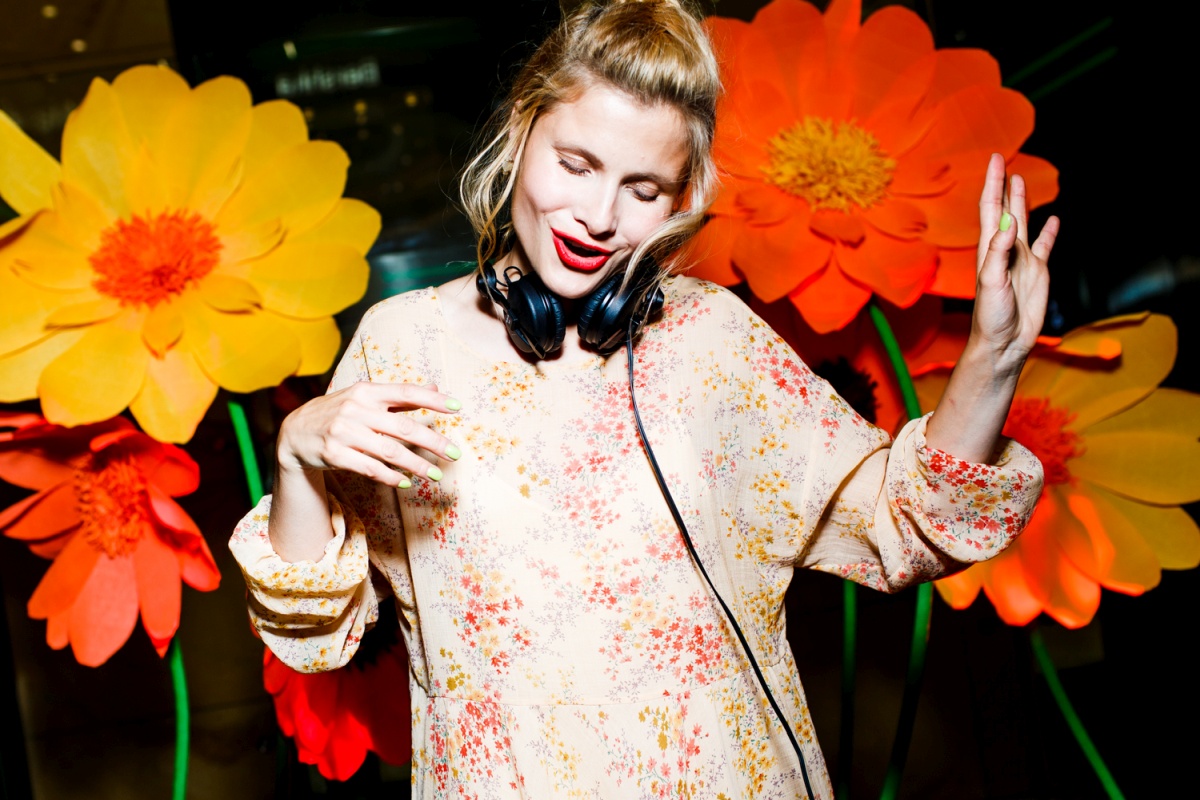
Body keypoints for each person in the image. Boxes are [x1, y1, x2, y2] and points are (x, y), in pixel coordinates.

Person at [230, 1, 1057, 796]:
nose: (596, 216)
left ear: (682, 194)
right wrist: (298, 457)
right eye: (576, 165)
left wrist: (994, 356)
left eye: (643, 188)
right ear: (520, 130)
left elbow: (909, 519)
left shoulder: (715, 341)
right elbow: (314, 632)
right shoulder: (403, 344)